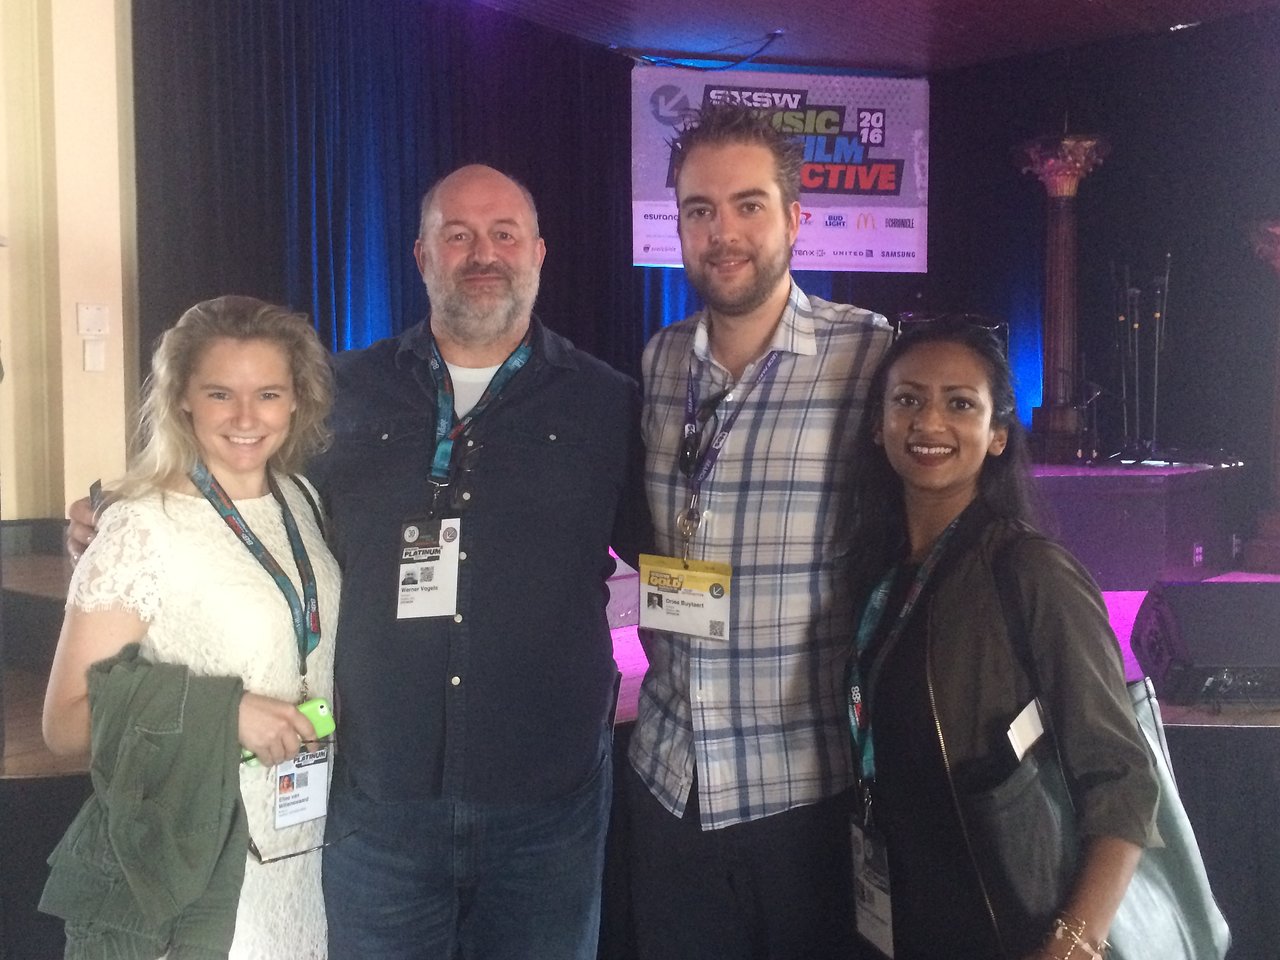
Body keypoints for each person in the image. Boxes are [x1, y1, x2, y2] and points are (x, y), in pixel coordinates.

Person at [66, 166, 647, 958]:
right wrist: (114, 512)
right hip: (377, 805)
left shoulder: (607, 402)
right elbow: (237, 476)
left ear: (538, 252)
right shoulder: (343, 393)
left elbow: (671, 542)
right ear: (422, 256)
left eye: (504, 234)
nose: (483, 253)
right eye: (458, 235)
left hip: (547, 804)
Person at [627, 102, 894, 958]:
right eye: (700, 210)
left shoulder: (868, 356)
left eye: (748, 205)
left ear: (795, 219)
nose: (723, 233)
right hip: (670, 782)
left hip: (803, 794)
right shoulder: (661, 360)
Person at [844, 319, 1159, 960]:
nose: (929, 421)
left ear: (998, 435)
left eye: (960, 403)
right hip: (905, 918)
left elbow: (1122, 780)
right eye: (907, 399)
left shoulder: (1031, 571)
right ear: (878, 425)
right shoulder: (876, 574)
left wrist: (1072, 945)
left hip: (1015, 932)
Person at [43, 296, 340, 959]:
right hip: (190, 859)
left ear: (296, 400)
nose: (245, 418)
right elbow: (64, 722)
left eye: (268, 394)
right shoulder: (140, 526)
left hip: (298, 855)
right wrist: (224, 712)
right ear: (182, 399)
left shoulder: (301, 500)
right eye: (219, 394)